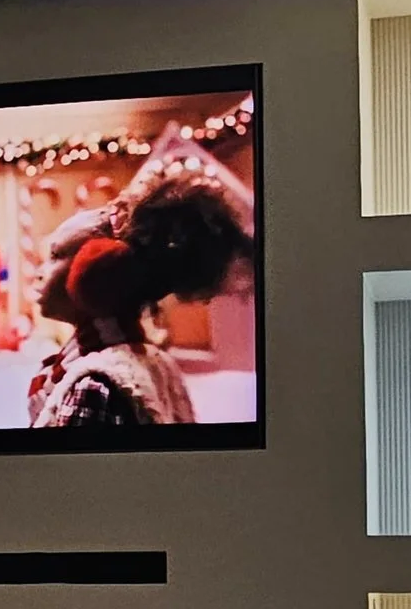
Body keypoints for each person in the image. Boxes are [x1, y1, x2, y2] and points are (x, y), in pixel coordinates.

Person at [27, 169, 253, 427]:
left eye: (55, 255)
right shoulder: (158, 363)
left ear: (98, 268)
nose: (39, 272)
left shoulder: (93, 387)